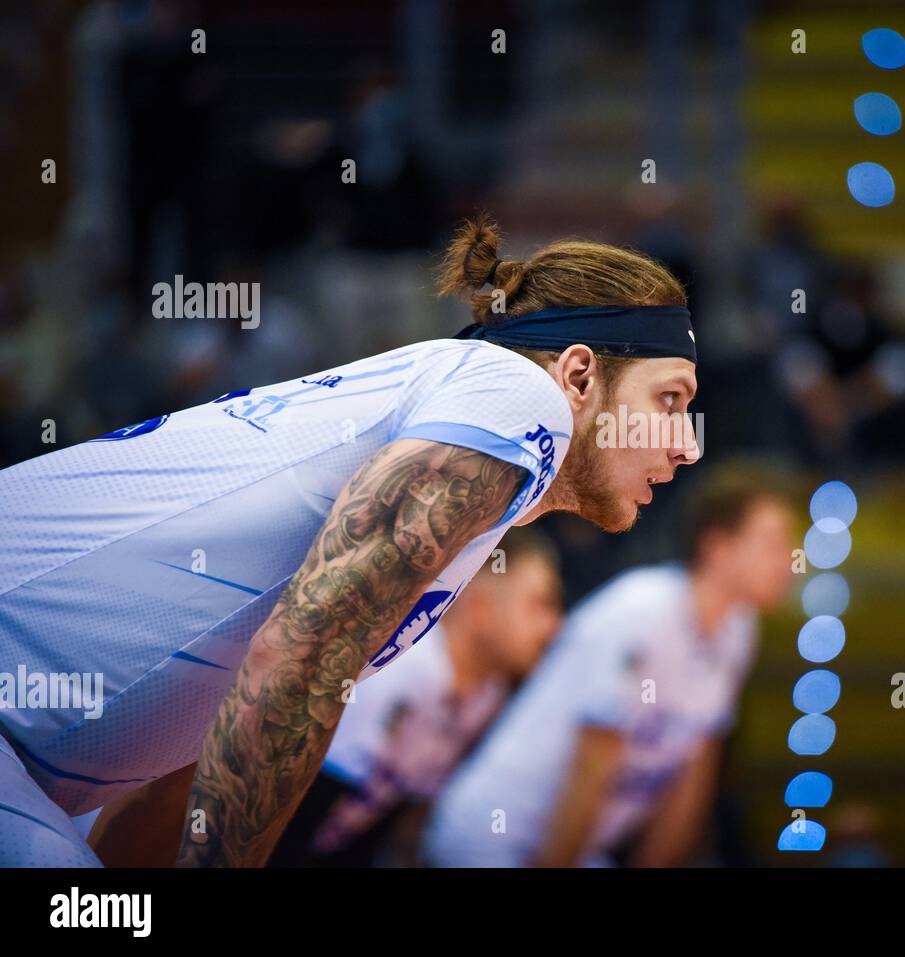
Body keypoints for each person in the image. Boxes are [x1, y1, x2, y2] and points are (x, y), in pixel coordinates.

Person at [0, 212, 700, 867]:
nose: (687, 445)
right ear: (578, 375)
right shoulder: (523, 402)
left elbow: (201, 748)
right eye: (670, 400)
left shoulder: (479, 464)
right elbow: (297, 657)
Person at [427, 467, 794, 867]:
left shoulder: (738, 633)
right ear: (717, 546)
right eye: (773, 543)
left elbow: (691, 780)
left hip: (577, 846)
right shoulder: (644, 611)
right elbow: (592, 766)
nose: (790, 561)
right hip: (494, 838)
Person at [268, 528, 563, 867]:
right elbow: (301, 793)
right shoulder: (406, 667)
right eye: (540, 605)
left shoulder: (486, 697)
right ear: (480, 609)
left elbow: (401, 816)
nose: (554, 627)